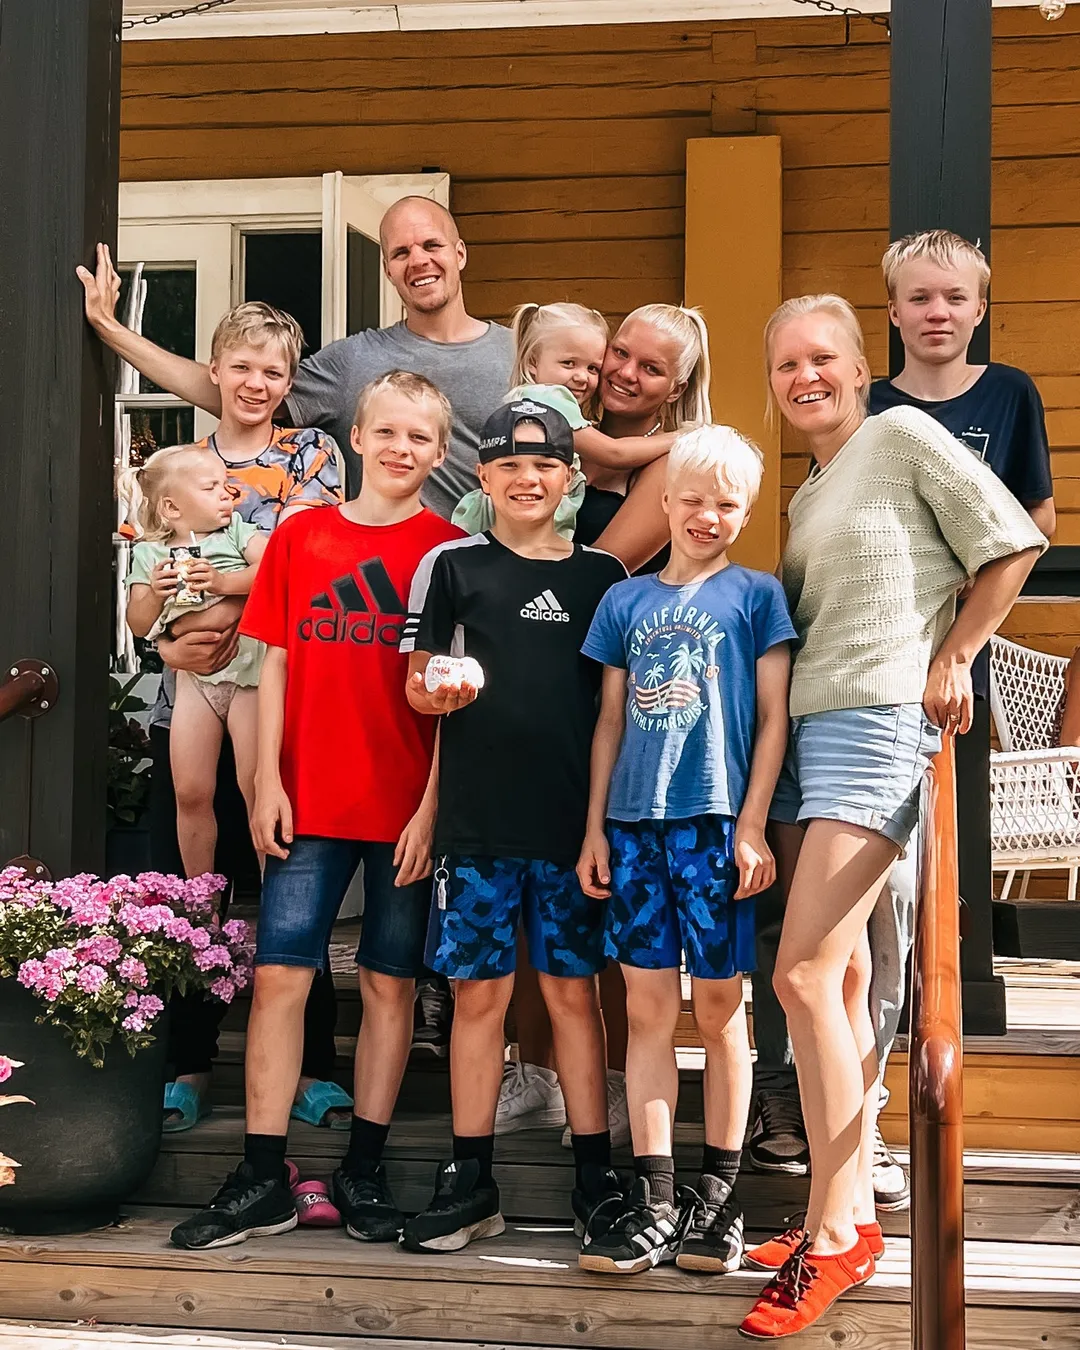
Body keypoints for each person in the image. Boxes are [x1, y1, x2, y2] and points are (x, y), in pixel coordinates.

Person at [78, 200, 515, 1057]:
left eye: (432, 244)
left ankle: (340, 1048)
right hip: (270, 651)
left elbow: (565, 430)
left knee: (345, 853)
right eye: (400, 249)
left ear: (461, 250)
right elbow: (221, 391)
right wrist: (112, 330)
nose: (419, 259)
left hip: (407, 619)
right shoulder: (351, 364)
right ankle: (195, 1045)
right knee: (222, 841)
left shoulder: (507, 353)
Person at [737, 293, 1044, 1339]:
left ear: (862, 368)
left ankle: (836, 1235)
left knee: (802, 974)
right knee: (838, 979)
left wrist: (955, 655)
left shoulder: (902, 434)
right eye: (787, 364)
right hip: (807, 734)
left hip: (875, 726)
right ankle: (845, 1211)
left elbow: (1011, 542)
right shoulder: (813, 488)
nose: (805, 376)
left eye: (822, 357)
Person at [169, 371, 463, 1251]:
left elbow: (453, 700)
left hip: (404, 806)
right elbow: (275, 664)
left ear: (441, 451)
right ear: (357, 440)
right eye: (388, 431)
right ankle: (263, 1174)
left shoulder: (449, 553)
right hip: (307, 799)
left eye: (420, 436)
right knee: (280, 978)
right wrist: (265, 781)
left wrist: (432, 810)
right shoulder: (303, 536)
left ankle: (363, 1167)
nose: (402, 448)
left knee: (389, 983)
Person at [399, 399, 627, 1254]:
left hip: (570, 828)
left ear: (571, 478)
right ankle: (470, 1180)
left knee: (572, 994)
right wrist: (439, 691)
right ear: (484, 477)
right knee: (478, 997)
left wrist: (600, 826)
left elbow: (612, 714)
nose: (528, 480)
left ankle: (596, 1177)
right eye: (510, 467)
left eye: (545, 466)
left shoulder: (604, 576)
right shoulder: (453, 566)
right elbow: (418, 685)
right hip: (477, 826)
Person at [575, 425, 795, 1277]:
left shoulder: (756, 596)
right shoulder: (623, 602)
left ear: (746, 512)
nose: (707, 516)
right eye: (693, 499)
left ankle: (719, 1196)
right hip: (634, 829)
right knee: (647, 1012)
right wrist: (595, 828)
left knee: (722, 1010)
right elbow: (608, 721)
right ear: (664, 502)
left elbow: (772, 720)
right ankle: (657, 1197)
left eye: (726, 504)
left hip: (715, 827)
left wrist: (751, 825)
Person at [121, 444, 267, 877]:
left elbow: (274, 569)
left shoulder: (237, 531)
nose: (227, 494)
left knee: (255, 786)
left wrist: (222, 582)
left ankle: (276, 896)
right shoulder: (150, 554)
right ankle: (201, 898)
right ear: (171, 507)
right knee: (190, 791)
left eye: (226, 485)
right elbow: (138, 623)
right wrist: (155, 593)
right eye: (211, 487)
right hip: (193, 684)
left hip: (249, 677)